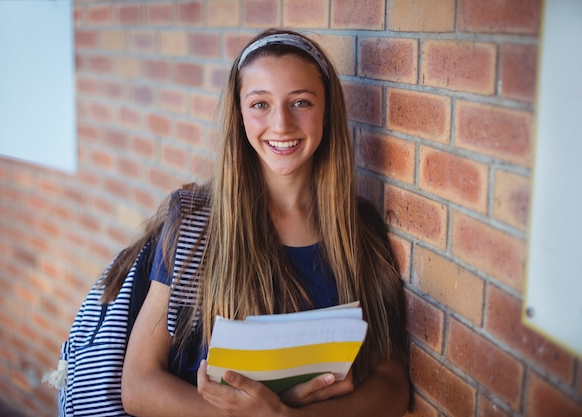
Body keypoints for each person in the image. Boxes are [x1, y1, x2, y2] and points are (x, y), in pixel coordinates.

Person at [118, 28, 411, 417]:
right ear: (239, 114)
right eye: (260, 104)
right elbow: (138, 384)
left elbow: (393, 385)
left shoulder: (362, 231)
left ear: (327, 111)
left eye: (301, 102)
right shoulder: (196, 222)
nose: (281, 124)